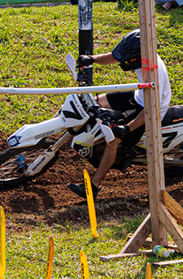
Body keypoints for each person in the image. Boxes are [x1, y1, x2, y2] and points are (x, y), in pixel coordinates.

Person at [67, 29, 171, 199]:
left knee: (113, 138)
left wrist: (127, 128)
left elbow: (151, 109)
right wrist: (92, 59)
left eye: (127, 59)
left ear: (137, 57)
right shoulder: (141, 54)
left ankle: (93, 187)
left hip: (149, 109)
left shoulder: (153, 73)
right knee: (94, 101)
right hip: (139, 96)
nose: (123, 62)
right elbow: (116, 56)